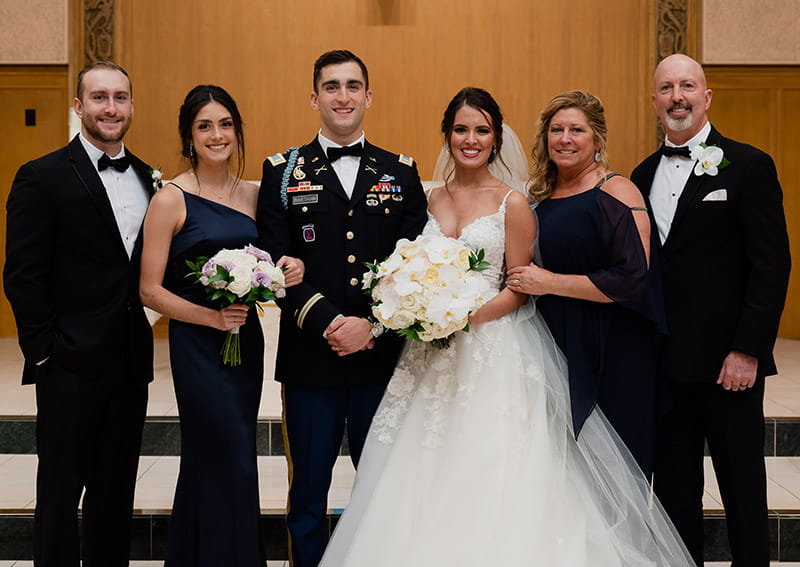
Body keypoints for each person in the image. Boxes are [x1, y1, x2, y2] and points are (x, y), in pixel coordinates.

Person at [319, 87, 694, 566]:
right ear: (447, 135)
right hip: (430, 355)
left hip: (491, 347)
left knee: (491, 464)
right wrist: (409, 310)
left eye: (481, 130)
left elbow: (521, 285)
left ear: (497, 138)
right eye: (460, 129)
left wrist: (458, 317)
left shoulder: (514, 203)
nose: (470, 139)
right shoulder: (427, 199)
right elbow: (405, 267)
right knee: (421, 465)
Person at [256, 50, 428, 567]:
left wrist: (371, 326)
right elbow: (271, 262)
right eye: (332, 87)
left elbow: (415, 265)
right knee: (308, 494)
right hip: (311, 363)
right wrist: (333, 322)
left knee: (381, 490)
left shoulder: (401, 172)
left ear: (369, 96)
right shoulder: (282, 172)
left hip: (381, 362)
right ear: (315, 98)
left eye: (353, 86)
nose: (343, 96)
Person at [631, 53, 791, 566]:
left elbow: (771, 267)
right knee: (676, 489)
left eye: (687, 86)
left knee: (742, 487)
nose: (677, 96)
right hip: (666, 364)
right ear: (654, 100)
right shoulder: (640, 174)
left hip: (729, 366)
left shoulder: (748, 166)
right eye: (666, 88)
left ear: (706, 97)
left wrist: (747, 349)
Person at [139, 85, 304, 565]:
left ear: (237, 131)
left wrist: (285, 269)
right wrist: (211, 316)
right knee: (223, 450)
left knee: (231, 453)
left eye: (226, 124)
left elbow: (273, 259)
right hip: (197, 344)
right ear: (189, 136)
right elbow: (149, 289)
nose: (217, 134)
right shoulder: (171, 198)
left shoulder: (254, 194)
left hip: (243, 342)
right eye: (205, 126)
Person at [3, 61, 153, 565]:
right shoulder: (41, 176)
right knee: (60, 496)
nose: (111, 108)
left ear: (132, 105)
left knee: (115, 494)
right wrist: (44, 353)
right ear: (78, 105)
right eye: (99, 97)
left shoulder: (148, 177)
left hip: (130, 365)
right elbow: (22, 274)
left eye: (120, 98)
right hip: (67, 364)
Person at [507, 90, 665, 477]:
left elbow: (633, 280)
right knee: (566, 470)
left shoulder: (616, 191)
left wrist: (548, 282)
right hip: (558, 339)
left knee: (615, 466)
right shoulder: (541, 196)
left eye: (576, 129)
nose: (565, 138)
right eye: (556, 129)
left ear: (596, 139)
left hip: (614, 344)